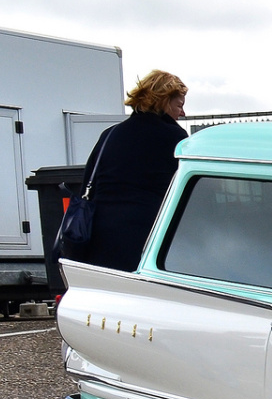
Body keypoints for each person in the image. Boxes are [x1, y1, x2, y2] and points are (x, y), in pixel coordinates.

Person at [69, 70, 190, 271]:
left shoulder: (110, 134)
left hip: (99, 240)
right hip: (147, 242)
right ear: (164, 102)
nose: (183, 113)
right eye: (179, 105)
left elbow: (89, 183)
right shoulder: (174, 137)